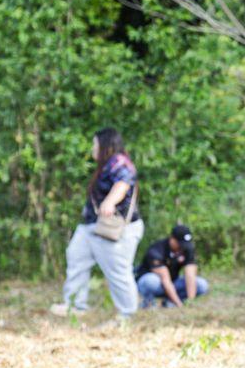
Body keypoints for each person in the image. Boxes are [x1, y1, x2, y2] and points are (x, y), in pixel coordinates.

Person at [50, 128, 145, 319]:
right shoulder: (106, 165)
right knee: (76, 256)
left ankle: (127, 314)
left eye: (95, 144)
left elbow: (123, 183)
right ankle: (75, 305)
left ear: (106, 146)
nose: (93, 148)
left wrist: (110, 201)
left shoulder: (119, 162)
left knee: (117, 270)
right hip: (93, 226)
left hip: (116, 229)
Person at [135, 224, 208, 308]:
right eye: (180, 243)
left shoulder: (187, 248)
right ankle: (149, 301)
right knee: (151, 281)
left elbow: (190, 275)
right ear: (172, 239)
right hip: (154, 284)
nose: (182, 247)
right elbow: (165, 280)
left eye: (185, 244)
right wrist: (179, 305)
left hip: (173, 282)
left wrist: (190, 302)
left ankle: (170, 302)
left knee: (201, 284)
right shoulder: (157, 250)